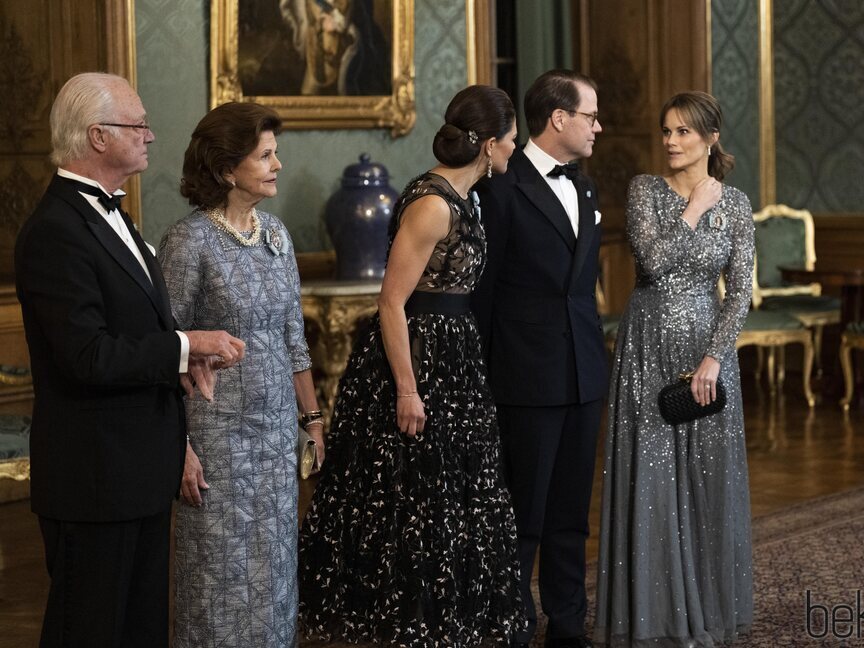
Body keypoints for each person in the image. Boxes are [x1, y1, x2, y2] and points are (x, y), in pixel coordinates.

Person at [14, 72, 245, 648]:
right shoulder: (56, 231)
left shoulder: (112, 218)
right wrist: (187, 346)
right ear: (97, 136)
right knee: (88, 631)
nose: (150, 135)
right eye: (137, 125)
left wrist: (181, 361)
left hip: (137, 469)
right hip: (92, 478)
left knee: (140, 629)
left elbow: (133, 327)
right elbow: (85, 355)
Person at [298, 85, 526, 646]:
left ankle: (451, 617)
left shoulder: (466, 196)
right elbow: (391, 301)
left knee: (455, 494)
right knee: (412, 496)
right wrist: (407, 389)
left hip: (457, 358)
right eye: (512, 141)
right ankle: (411, 621)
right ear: (490, 144)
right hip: (418, 362)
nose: (514, 151)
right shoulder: (432, 204)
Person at [158, 101, 324, 648]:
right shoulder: (189, 242)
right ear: (228, 168)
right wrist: (179, 446)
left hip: (276, 437)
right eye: (266, 155)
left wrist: (313, 419)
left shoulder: (276, 234)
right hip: (217, 439)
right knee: (218, 574)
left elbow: (292, 337)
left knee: (274, 574)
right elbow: (165, 351)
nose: (278, 164)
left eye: (277, 153)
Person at [595, 91, 755, 646]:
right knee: (655, 476)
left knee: (709, 479)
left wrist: (715, 356)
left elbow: (740, 293)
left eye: (683, 132)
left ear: (711, 138)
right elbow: (652, 261)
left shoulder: (737, 204)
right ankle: (654, 616)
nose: (670, 142)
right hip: (647, 343)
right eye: (666, 131)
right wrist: (692, 211)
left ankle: (707, 612)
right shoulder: (645, 191)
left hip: (709, 350)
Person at [472, 69, 607, 648]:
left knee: (571, 515)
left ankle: (569, 627)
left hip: (583, 372)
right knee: (523, 515)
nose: (598, 126)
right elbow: (482, 292)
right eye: (590, 116)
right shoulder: (498, 188)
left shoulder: (585, 187)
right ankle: (511, 627)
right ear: (559, 119)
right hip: (524, 376)